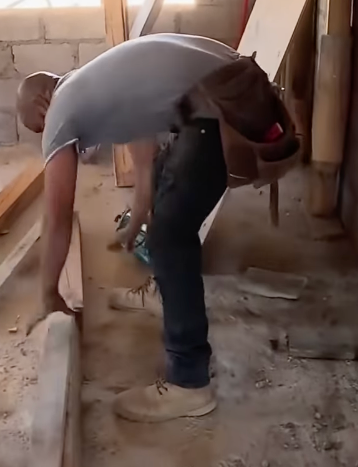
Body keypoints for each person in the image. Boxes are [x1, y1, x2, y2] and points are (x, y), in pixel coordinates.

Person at [17, 33, 240, 422]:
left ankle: (189, 383)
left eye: (39, 128)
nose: (47, 136)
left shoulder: (60, 109)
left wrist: (48, 293)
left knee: (172, 234)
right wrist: (139, 214)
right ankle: (165, 291)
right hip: (230, 88)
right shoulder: (90, 83)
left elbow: (57, 216)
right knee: (167, 210)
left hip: (229, 105)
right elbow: (142, 135)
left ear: (41, 104)